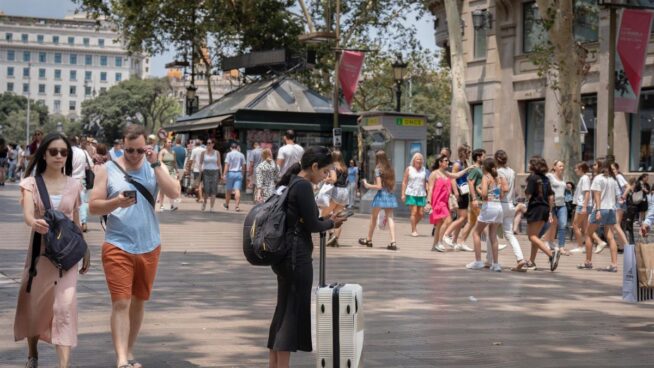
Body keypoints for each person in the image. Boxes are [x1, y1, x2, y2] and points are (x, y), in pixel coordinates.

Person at [89, 124, 181, 368]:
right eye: (130, 150)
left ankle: (129, 351)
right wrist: (116, 203)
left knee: (139, 300)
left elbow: (173, 192)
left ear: (146, 147)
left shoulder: (154, 166)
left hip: (149, 244)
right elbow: (93, 206)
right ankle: (121, 359)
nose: (134, 155)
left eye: (140, 150)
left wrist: (155, 164)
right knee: (121, 302)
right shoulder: (107, 169)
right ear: (122, 145)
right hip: (117, 244)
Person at [14, 132, 90, 368]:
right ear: (44, 154)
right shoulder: (30, 184)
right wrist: (33, 222)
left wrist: (85, 249)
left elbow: (76, 222)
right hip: (40, 254)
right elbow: (28, 215)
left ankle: (63, 365)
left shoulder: (75, 185)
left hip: (67, 256)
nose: (59, 156)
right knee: (35, 305)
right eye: (54, 152)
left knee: (64, 307)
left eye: (64, 152)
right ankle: (33, 353)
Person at [268, 146, 347, 368]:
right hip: (297, 257)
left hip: (284, 256)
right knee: (290, 316)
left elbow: (304, 219)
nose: (324, 177)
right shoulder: (303, 185)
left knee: (282, 311)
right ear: (314, 166)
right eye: (324, 172)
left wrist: (325, 218)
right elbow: (313, 225)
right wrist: (332, 222)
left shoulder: (291, 181)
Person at [578, 158, 628, 272]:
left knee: (587, 233)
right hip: (611, 210)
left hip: (601, 209)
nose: (593, 167)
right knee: (610, 237)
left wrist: (599, 210)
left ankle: (588, 262)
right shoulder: (613, 179)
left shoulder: (598, 178)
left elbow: (597, 195)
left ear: (600, 166)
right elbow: (618, 196)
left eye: (595, 165)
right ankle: (614, 264)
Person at [426, 155, 471, 252]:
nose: (447, 162)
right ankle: (440, 242)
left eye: (448, 161)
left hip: (445, 202)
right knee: (448, 220)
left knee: (439, 224)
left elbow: (457, 175)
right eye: (445, 161)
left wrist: (468, 168)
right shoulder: (434, 174)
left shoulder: (446, 173)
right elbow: (430, 189)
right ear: (440, 162)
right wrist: (428, 202)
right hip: (437, 202)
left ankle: (434, 245)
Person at [466, 157, 504, 271]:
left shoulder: (486, 177)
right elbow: (501, 195)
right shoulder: (498, 178)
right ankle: (496, 264)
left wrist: (478, 189)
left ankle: (478, 261)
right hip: (498, 207)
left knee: (476, 232)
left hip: (489, 207)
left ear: (484, 167)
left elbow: (483, 194)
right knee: (493, 235)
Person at [524, 156, 561, 272]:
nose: (529, 165)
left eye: (530, 163)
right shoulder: (546, 179)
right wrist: (550, 211)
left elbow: (528, 194)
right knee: (536, 237)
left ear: (534, 165)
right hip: (545, 208)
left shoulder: (532, 178)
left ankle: (551, 254)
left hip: (535, 208)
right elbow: (551, 197)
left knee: (532, 236)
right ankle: (531, 261)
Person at [358, 150, 398, 250]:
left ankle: (369, 239)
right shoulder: (390, 169)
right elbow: (392, 185)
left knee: (373, 218)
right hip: (389, 195)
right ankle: (393, 242)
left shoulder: (378, 169)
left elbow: (379, 186)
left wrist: (367, 185)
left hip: (381, 196)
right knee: (390, 218)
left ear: (377, 159)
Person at [495, 150, 527, 271]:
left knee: (492, 232)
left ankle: (489, 259)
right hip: (510, 204)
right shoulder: (512, 172)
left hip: (501, 204)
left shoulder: (498, 172)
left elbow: (503, 189)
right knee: (509, 234)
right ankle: (520, 258)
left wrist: (492, 194)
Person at [442, 145, 474, 251]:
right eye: (468, 152)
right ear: (463, 152)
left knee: (462, 219)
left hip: (465, 192)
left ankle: (454, 241)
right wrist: (456, 192)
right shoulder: (457, 164)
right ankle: (446, 234)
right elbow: (453, 179)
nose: (470, 154)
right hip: (460, 192)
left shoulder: (465, 163)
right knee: (462, 218)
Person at [321, 150, 350, 247]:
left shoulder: (333, 166)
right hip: (345, 192)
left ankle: (331, 234)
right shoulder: (345, 167)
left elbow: (334, 179)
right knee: (338, 216)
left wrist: (326, 179)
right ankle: (335, 238)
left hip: (336, 191)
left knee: (324, 214)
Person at [542, 160, 569, 254]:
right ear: (554, 167)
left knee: (562, 224)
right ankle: (546, 242)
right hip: (551, 204)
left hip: (562, 204)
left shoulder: (563, 177)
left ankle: (561, 247)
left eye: (563, 166)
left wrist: (568, 186)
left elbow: (562, 189)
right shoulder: (549, 176)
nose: (562, 168)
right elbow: (544, 187)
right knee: (550, 224)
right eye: (560, 166)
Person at [401, 153, 428, 237]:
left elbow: (425, 182)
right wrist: (403, 194)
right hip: (411, 193)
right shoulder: (409, 169)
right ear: (414, 160)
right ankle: (414, 230)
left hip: (421, 193)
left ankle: (413, 225)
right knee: (414, 212)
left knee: (421, 213)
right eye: (417, 159)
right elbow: (404, 182)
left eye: (420, 159)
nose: (419, 160)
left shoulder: (424, 170)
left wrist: (427, 193)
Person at [70, 136, 94, 232]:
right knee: (82, 202)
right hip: (81, 180)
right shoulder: (83, 152)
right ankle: (83, 222)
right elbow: (91, 165)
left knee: (70, 202)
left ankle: (72, 222)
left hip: (69, 180)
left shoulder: (66, 152)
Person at [570, 162, 593, 254]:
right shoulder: (584, 178)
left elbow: (587, 192)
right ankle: (586, 246)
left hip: (582, 205)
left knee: (575, 225)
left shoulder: (584, 178)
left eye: (576, 168)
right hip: (583, 204)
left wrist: (584, 207)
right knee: (584, 228)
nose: (575, 170)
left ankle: (580, 246)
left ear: (581, 169)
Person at [199, 139, 221, 212]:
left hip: (215, 172)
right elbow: (200, 163)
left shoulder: (216, 153)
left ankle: (212, 207)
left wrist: (222, 174)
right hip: (206, 172)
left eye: (209, 143)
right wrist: (200, 171)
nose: (208, 145)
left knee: (213, 190)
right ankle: (205, 203)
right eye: (207, 143)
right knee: (206, 190)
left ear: (213, 144)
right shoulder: (203, 153)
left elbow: (219, 164)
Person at [223, 142, 246, 211]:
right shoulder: (241, 155)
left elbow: (227, 165)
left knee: (228, 190)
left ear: (231, 148)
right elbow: (244, 166)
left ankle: (227, 205)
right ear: (237, 147)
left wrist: (224, 174)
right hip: (238, 173)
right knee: (237, 190)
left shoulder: (229, 154)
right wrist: (242, 174)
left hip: (230, 173)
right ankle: (237, 206)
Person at [157, 139, 178, 211]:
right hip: (164, 172)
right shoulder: (162, 152)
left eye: (171, 142)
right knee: (162, 189)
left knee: (172, 188)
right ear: (165, 143)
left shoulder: (173, 152)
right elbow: (159, 162)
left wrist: (177, 171)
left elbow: (174, 162)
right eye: (169, 142)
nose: (170, 143)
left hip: (172, 172)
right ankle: (161, 205)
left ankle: (172, 205)